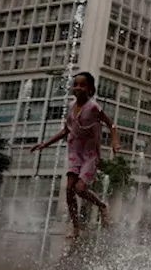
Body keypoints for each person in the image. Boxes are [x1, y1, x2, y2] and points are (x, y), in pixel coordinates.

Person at [30, 71, 119, 240]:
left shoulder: (93, 107)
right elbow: (66, 130)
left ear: (90, 88)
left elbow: (111, 125)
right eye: (75, 84)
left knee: (80, 189)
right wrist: (44, 144)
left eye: (82, 85)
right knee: (69, 189)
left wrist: (114, 142)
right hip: (74, 152)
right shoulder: (71, 106)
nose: (77, 87)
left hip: (90, 154)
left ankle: (101, 206)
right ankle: (75, 227)